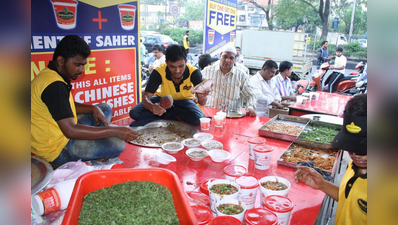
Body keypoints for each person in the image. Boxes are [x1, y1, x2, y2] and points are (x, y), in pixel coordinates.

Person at [31, 35, 138, 167]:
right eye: (77, 65)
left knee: (104, 108)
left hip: (61, 131)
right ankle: (90, 148)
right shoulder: (54, 85)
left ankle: (92, 139)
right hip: (55, 150)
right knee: (117, 144)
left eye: (83, 65)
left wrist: (93, 108)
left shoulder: (51, 75)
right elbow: (70, 130)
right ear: (61, 60)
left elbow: (65, 106)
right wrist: (115, 131)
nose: (81, 70)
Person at [295, 94, 367, 225]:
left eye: (364, 148)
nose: (356, 154)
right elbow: (351, 199)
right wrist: (323, 185)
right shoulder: (356, 165)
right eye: (351, 145)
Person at [129, 45, 208, 126]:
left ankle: (168, 114)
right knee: (134, 113)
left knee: (199, 120)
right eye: (172, 67)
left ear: (186, 61)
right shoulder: (158, 71)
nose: (177, 71)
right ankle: (172, 115)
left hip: (185, 101)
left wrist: (202, 96)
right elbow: (146, 97)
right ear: (166, 63)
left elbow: (202, 102)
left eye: (181, 66)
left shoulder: (194, 72)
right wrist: (151, 107)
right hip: (162, 99)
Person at [201, 46, 256, 116]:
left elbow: (250, 95)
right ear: (219, 56)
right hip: (210, 114)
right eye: (224, 57)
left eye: (231, 58)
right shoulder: (207, 71)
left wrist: (250, 107)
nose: (227, 60)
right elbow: (196, 89)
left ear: (235, 59)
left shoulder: (241, 75)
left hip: (232, 116)